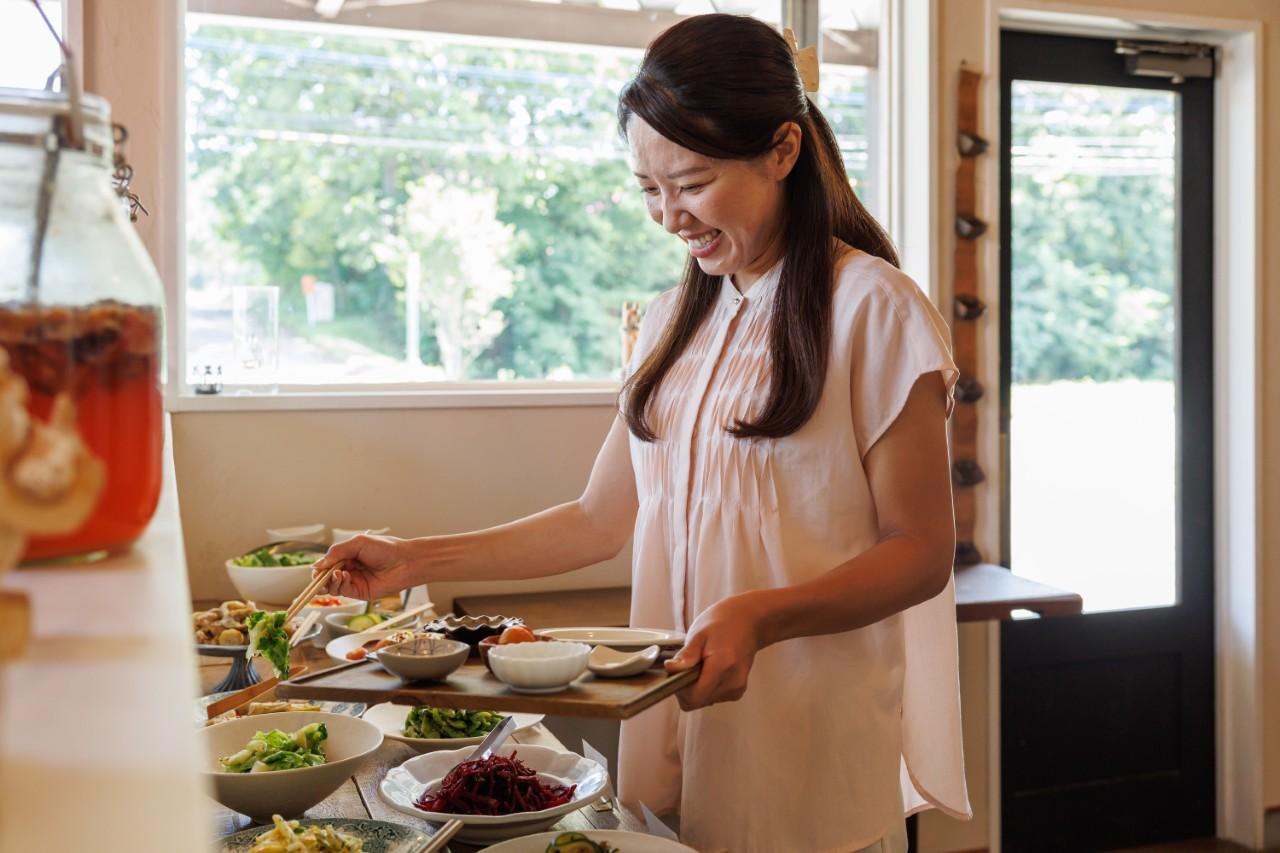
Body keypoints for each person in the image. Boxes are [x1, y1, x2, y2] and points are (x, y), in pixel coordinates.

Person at [313, 13, 970, 852]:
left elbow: (918, 551)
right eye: (648, 189)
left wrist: (760, 615)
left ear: (782, 150)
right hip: (666, 741)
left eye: (692, 184)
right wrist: (415, 559)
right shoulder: (670, 323)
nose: (668, 217)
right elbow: (599, 518)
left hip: (808, 763)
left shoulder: (874, 308)